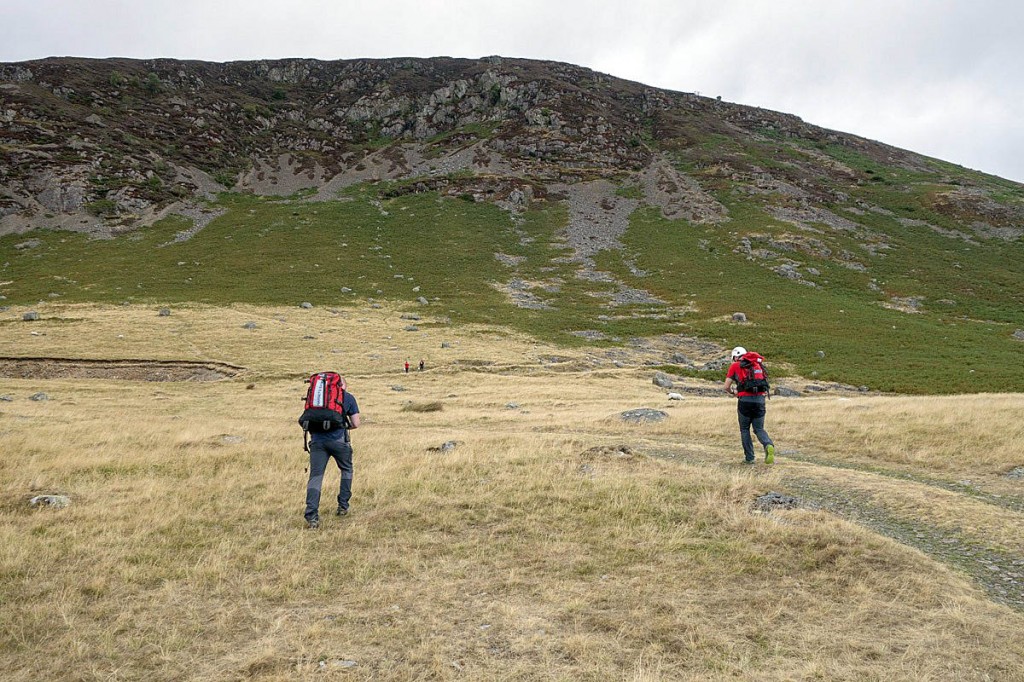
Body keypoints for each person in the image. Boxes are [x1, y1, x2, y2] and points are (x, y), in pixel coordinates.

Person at [304, 376, 360, 528]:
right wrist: (343, 426)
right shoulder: (347, 397)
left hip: (317, 443)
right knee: (346, 469)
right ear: (342, 385)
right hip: (339, 441)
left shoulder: (315, 399)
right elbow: (356, 423)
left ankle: (312, 516)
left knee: (315, 477)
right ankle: (343, 506)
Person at [723, 346, 775, 465]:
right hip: (760, 400)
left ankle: (750, 458)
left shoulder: (735, 365)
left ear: (736, 356)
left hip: (744, 401)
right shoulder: (757, 365)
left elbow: (726, 386)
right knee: (759, 428)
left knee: (745, 429)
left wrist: (733, 393)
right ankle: (768, 444)